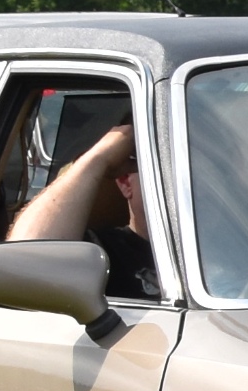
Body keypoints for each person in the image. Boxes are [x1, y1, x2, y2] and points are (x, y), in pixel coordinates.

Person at [8, 118, 161, 297]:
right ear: (126, 182)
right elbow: (23, 267)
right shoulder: (99, 253)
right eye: (163, 169)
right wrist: (98, 158)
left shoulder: (201, 251)